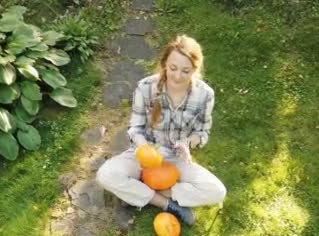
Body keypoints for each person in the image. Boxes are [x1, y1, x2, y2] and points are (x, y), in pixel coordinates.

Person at [96, 35, 226, 225]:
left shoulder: (205, 95)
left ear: (195, 70)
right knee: (105, 175)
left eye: (185, 71)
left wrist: (188, 143)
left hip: (176, 159)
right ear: (165, 63)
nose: (177, 76)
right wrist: (144, 149)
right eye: (173, 68)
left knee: (217, 191)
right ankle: (165, 203)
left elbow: (202, 132)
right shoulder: (146, 87)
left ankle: (143, 191)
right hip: (144, 155)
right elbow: (135, 128)